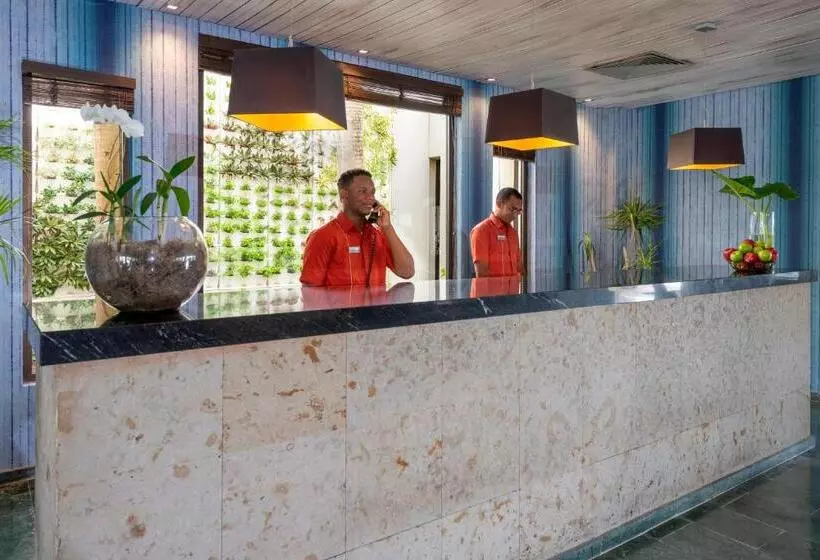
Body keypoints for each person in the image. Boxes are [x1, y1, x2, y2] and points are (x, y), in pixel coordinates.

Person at [300, 168, 415, 287]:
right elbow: (310, 291)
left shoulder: (378, 236)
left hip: (377, 300)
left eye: (372, 193)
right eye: (363, 191)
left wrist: (387, 227)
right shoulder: (322, 236)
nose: (371, 198)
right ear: (344, 194)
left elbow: (407, 272)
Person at [470, 187, 524, 278]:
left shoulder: (513, 233)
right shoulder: (481, 231)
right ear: (499, 204)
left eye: (518, 211)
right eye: (512, 209)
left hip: (513, 287)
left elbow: (519, 266)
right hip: (493, 287)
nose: (515, 215)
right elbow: (482, 273)